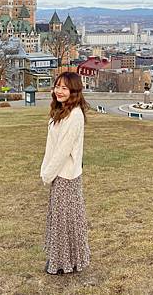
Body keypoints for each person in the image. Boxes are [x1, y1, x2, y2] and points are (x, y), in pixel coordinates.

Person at [40, 71, 91, 275]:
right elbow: (51, 146)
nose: (59, 91)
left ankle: (64, 263)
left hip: (65, 175)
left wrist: (47, 174)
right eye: (57, 86)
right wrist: (47, 170)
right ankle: (64, 260)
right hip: (58, 174)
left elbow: (63, 150)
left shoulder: (75, 115)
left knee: (66, 220)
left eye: (64, 87)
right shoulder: (62, 111)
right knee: (63, 219)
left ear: (74, 91)